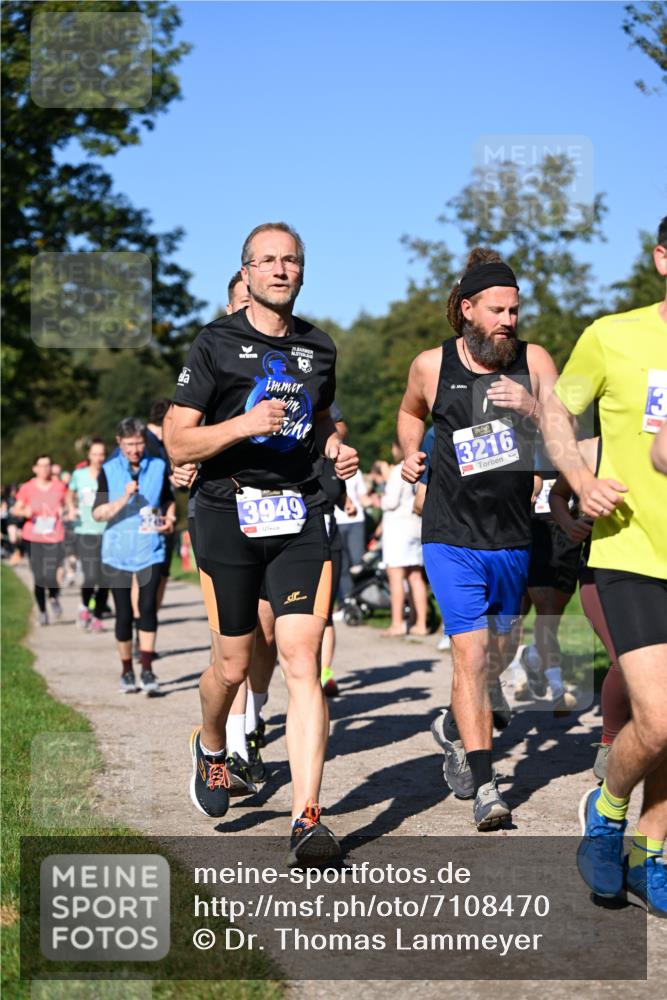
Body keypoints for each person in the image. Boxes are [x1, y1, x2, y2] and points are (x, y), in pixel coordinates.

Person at [165, 222, 358, 866]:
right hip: (227, 511)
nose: (280, 269)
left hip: (300, 510)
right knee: (233, 664)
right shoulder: (214, 343)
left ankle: (308, 819)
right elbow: (178, 441)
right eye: (267, 261)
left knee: (302, 658)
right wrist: (243, 423)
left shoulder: (319, 346)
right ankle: (213, 745)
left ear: (302, 272)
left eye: (291, 260)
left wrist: (334, 445)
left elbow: (323, 415)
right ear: (245, 272)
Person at [398, 247, 559, 831]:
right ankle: (486, 783)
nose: (508, 321)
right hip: (450, 534)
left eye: (514, 311)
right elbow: (411, 414)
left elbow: (569, 430)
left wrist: (536, 406)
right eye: (497, 310)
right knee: (468, 653)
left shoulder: (534, 361)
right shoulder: (431, 365)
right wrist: (409, 455)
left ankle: (454, 722)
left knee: (500, 654)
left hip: (514, 534)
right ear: (468, 309)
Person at [541, 218, 667, 916]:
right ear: (661, 259)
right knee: (658, 717)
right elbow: (556, 415)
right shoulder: (611, 335)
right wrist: (577, 480)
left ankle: (648, 855)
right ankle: (607, 812)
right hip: (630, 550)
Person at [548, 438, 631, 780]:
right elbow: (556, 495)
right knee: (624, 659)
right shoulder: (586, 450)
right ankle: (610, 743)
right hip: (601, 573)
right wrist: (569, 524)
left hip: (656, 571)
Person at [93, 418, 176, 695]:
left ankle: (148, 669)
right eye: (129, 444)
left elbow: (167, 500)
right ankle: (127, 670)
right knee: (124, 614)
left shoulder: (158, 466)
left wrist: (170, 518)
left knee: (148, 608)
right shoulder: (107, 471)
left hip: (150, 548)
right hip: (117, 552)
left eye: (139, 443)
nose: (135, 449)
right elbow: (97, 512)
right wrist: (122, 500)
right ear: (119, 443)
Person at [380, 441, 429, 637]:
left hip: (398, 528)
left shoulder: (398, 470)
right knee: (416, 576)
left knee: (396, 576)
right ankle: (420, 623)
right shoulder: (421, 469)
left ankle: (397, 623)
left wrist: (380, 499)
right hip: (416, 525)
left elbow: (390, 502)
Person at [12, 455, 67, 624]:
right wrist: (25, 512)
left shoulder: (60, 487)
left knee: (52, 573)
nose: (45, 469)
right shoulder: (28, 488)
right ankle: (42, 611)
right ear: (34, 468)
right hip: (33, 537)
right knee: (39, 576)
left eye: (48, 465)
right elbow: (16, 510)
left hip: (54, 535)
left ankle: (53, 596)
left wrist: (64, 511)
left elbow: (68, 505)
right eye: (41, 466)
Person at [67, 438, 109, 632]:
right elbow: (70, 493)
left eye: (102, 454)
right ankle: (85, 606)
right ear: (89, 455)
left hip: (108, 531)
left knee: (106, 577)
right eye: (95, 454)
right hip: (85, 530)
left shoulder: (109, 473)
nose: (98, 458)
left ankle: (98, 615)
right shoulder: (79, 474)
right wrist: (70, 508)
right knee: (91, 576)